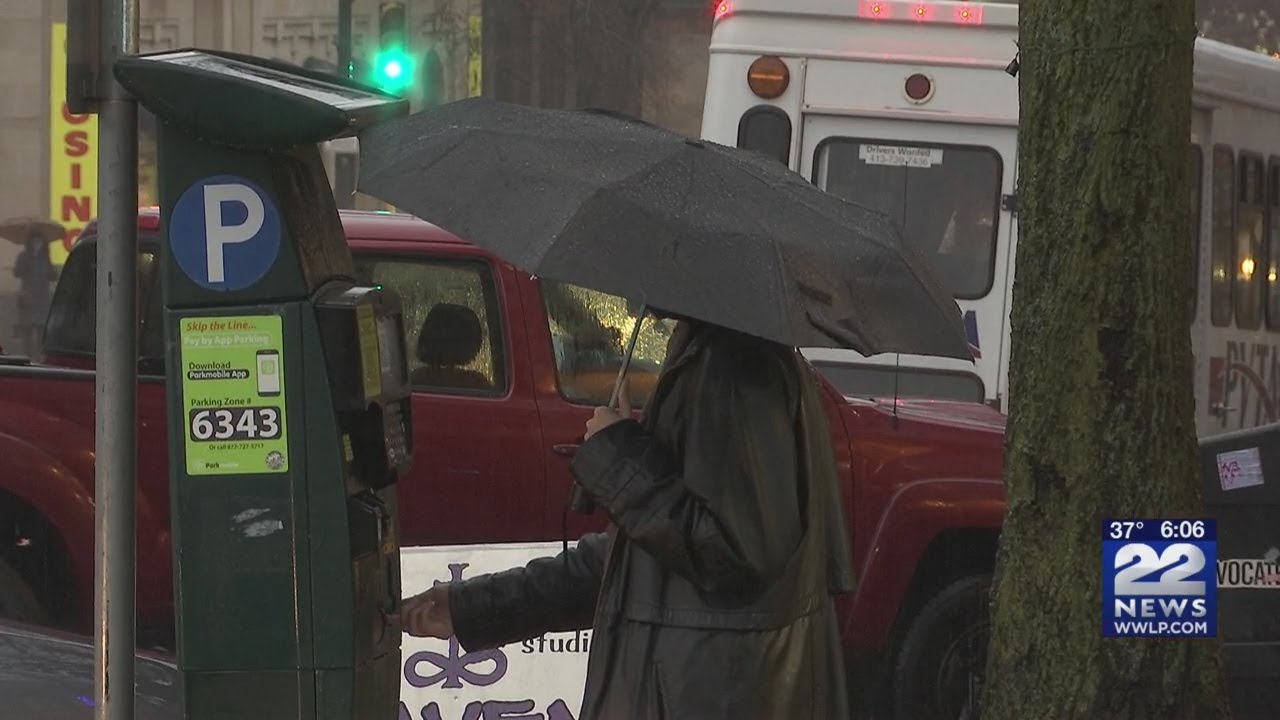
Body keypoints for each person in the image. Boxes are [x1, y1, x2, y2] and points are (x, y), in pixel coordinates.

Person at [397, 311, 857, 719]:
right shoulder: (709, 355)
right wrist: (471, 606)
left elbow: (735, 551)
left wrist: (617, 453)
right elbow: (635, 560)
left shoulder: (732, 368)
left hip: (709, 692)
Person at [12, 233, 55, 356]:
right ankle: (27, 356)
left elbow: (52, 275)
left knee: (42, 331)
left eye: (39, 241)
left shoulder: (45, 257)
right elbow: (16, 273)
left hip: (42, 298)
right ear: (30, 243)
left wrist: (51, 272)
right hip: (28, 299)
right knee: (27, 331)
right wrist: (24, 267)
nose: (37, 244)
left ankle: (39, 357)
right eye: (35, 241)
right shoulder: (23, 256)